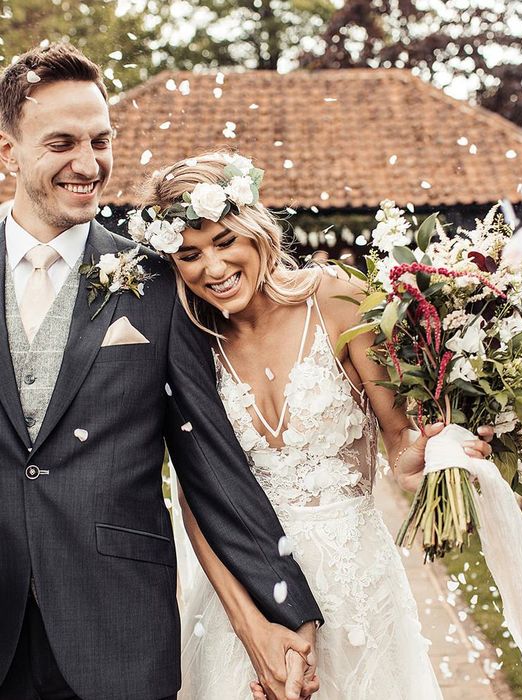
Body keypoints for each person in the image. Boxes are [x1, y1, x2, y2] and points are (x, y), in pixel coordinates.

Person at [0, 43, 321, 700]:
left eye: (100, 140)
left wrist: (285, 608)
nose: (88, 165)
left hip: (117, 627)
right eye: (62, 143)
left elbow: (210, 463)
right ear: (9, 153)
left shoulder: (157, 285)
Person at [134, 152, 495, 699]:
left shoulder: (338, 301)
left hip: (356, 587)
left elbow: (400, 446)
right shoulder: (189, 340)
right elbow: (196, 497)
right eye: (189, 254)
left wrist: (431, 455)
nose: (212, 268)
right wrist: (250, 626)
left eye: (225, 240)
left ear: (256, 229)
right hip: (245, 587)